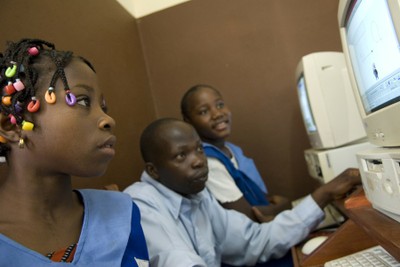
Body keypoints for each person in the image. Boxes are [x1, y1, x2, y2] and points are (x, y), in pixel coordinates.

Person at [123, 118, 361, 267]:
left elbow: (255, 241)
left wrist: (324, 194)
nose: (198, 161)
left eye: (198, 150)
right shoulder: (141, 205)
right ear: (154, 171)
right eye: (181, 156)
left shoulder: (198, 196)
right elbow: (176, 260)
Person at [0, 38, 149, 266]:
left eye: (103, 107)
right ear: (12, 126)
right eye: (82, 101)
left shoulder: (122, 213)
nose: (108, 119)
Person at [180, 84, 291, 222]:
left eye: (220, 105)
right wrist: (282, 207)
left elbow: (256, 196)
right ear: (188, 122)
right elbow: (247, 217)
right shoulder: (208, 162)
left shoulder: (232, 150)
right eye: (204, 112)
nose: (217, 114)